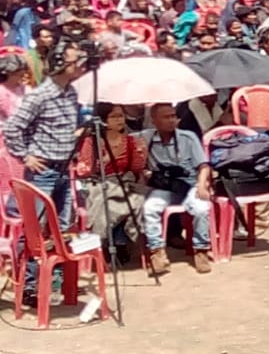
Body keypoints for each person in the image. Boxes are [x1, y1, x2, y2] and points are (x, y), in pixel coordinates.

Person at [2, 41, 87, 306]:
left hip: (63, 169)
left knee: (61, 228)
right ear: (61, 63)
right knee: (33, 230)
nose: (80, 65)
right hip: (43, 172)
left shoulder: (71, 93)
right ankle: (27, 285)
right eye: (75, 60)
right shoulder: (40, 95)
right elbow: (13, 128)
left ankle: (55, 280)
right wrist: (25, 155)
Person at [140, 102, 215, 275]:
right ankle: (157, 252)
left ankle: (201, 249)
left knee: (201, 208)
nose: (172, 120)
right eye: (166, 117)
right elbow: (125, 143)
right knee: (150, 208)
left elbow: (204, 165)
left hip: (189, 183)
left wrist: (202, 185)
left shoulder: (188, 137)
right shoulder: (146, 137)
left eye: (173, 116)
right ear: (154, 120)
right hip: (165, 187)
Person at [75, 102, 147, 255]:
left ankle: (121, 242)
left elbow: (135, 169)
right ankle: (105, 242)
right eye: (113, 117)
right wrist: (109, 158)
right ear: (103, 120)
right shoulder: (92, 142)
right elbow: (84, 170)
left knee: (135, 199)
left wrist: (142, 155)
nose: (119, 120)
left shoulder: (130, 141)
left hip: (123, 182)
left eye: (121, 116)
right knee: (105, 201)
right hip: (98, 182)